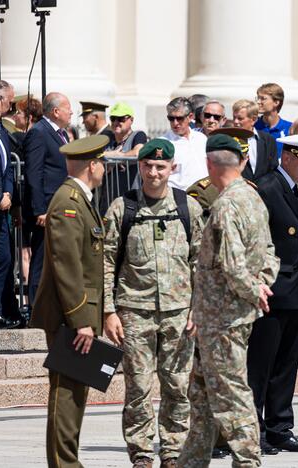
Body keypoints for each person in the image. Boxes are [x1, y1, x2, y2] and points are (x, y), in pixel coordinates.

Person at [177, 134, 279, 467]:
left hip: (222, 318)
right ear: (243, 162)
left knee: (231, 394)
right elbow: (269, 253)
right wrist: (262, 286)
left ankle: (248, 461)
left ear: (209, 166)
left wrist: (253, 290)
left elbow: (233, 265)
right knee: (203, 396)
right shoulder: (253, 198)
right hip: (224, 316)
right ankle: (190, 462)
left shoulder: (226, 205)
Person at [102, 139, 203, 468]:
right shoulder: (123, 208)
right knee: (139, 387)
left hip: (179, 314)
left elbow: (201, 262)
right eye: (148, 165)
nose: (155, 172)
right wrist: (108, 311)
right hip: (134, 311)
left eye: (161, 166)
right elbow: (105, 263)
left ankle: (173, 452)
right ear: (140, 167)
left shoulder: (188, 208)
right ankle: (142, 454)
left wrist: (198, 307)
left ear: (172, 167)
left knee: (177, 386)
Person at [28, 135, 108, 467]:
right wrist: (81, 321)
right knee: (66, 395)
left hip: (79, 316)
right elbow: (67, 266)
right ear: (92, 165)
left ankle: (67, 461)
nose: (103, 168)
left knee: (75, 394)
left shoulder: (79, 198)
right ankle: (63, 464)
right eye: (101, 161)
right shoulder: (69, 202)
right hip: (70, 317)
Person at [251, 135, 298, 454]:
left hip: (296, 291)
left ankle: (280, 427)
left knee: (286, 365)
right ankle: (254, 428)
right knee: (261, 365)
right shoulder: (266, 188)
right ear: (288, 158)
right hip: (271, 290)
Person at [24, 92, 73, 306]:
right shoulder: (39, 133)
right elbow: (34, 174)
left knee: (57, 259)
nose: (71, 112)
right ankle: (36, 309)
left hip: (61, 207)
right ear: (55, 111)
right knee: (41, 262)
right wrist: (40, 210)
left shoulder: (62, 134)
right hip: (47, 209)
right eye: (68, 108)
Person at [0, 82, 16, 329]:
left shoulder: (0, 133)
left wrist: (8, 193)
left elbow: (6, 168)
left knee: (4, 258)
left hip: (1, 207)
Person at [162, 97, 208, 190]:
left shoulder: (201, 138)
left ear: (190, 117)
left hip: (204, 195)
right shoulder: (163, 143)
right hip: (180, 197)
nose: (175, 123)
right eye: (171, 118)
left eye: (179, 118)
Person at [232, 99, 278, 182]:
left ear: (253, 119)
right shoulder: (228, 140)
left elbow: (274, 168)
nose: (235, 122)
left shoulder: (268, 140)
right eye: (234, 117)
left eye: (240, 118)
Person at [255, 83, 292, 155]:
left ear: (276, 102)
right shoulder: (253, 126)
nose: (258, 102)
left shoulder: (290, 129)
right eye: (258, 98)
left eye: (263, 98)